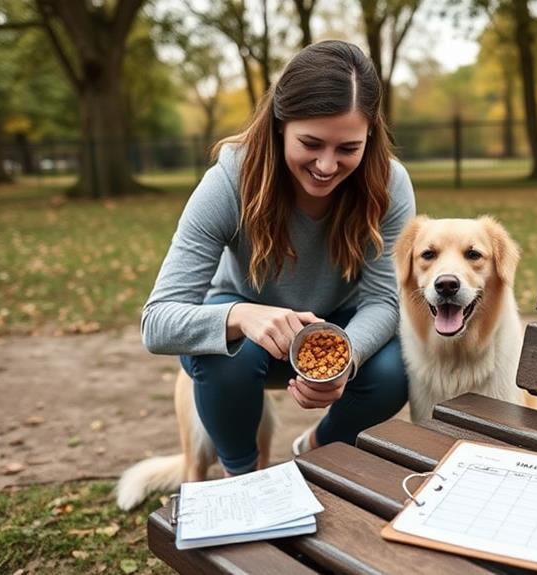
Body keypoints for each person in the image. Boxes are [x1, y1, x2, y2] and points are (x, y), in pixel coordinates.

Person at [141, 40, 415, 477]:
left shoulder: (388, 183)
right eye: (311, 143)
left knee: (397, 364)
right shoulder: (231, 178)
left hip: (337, 326)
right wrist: (242, 317)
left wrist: (346, 356)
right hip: (246, 340)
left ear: (370, 136)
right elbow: (157, 322)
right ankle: (243, 477)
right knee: (224, 354)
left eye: (348, 148)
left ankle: (319, 450)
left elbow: (386, 301)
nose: (327, 165)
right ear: (280, 124)